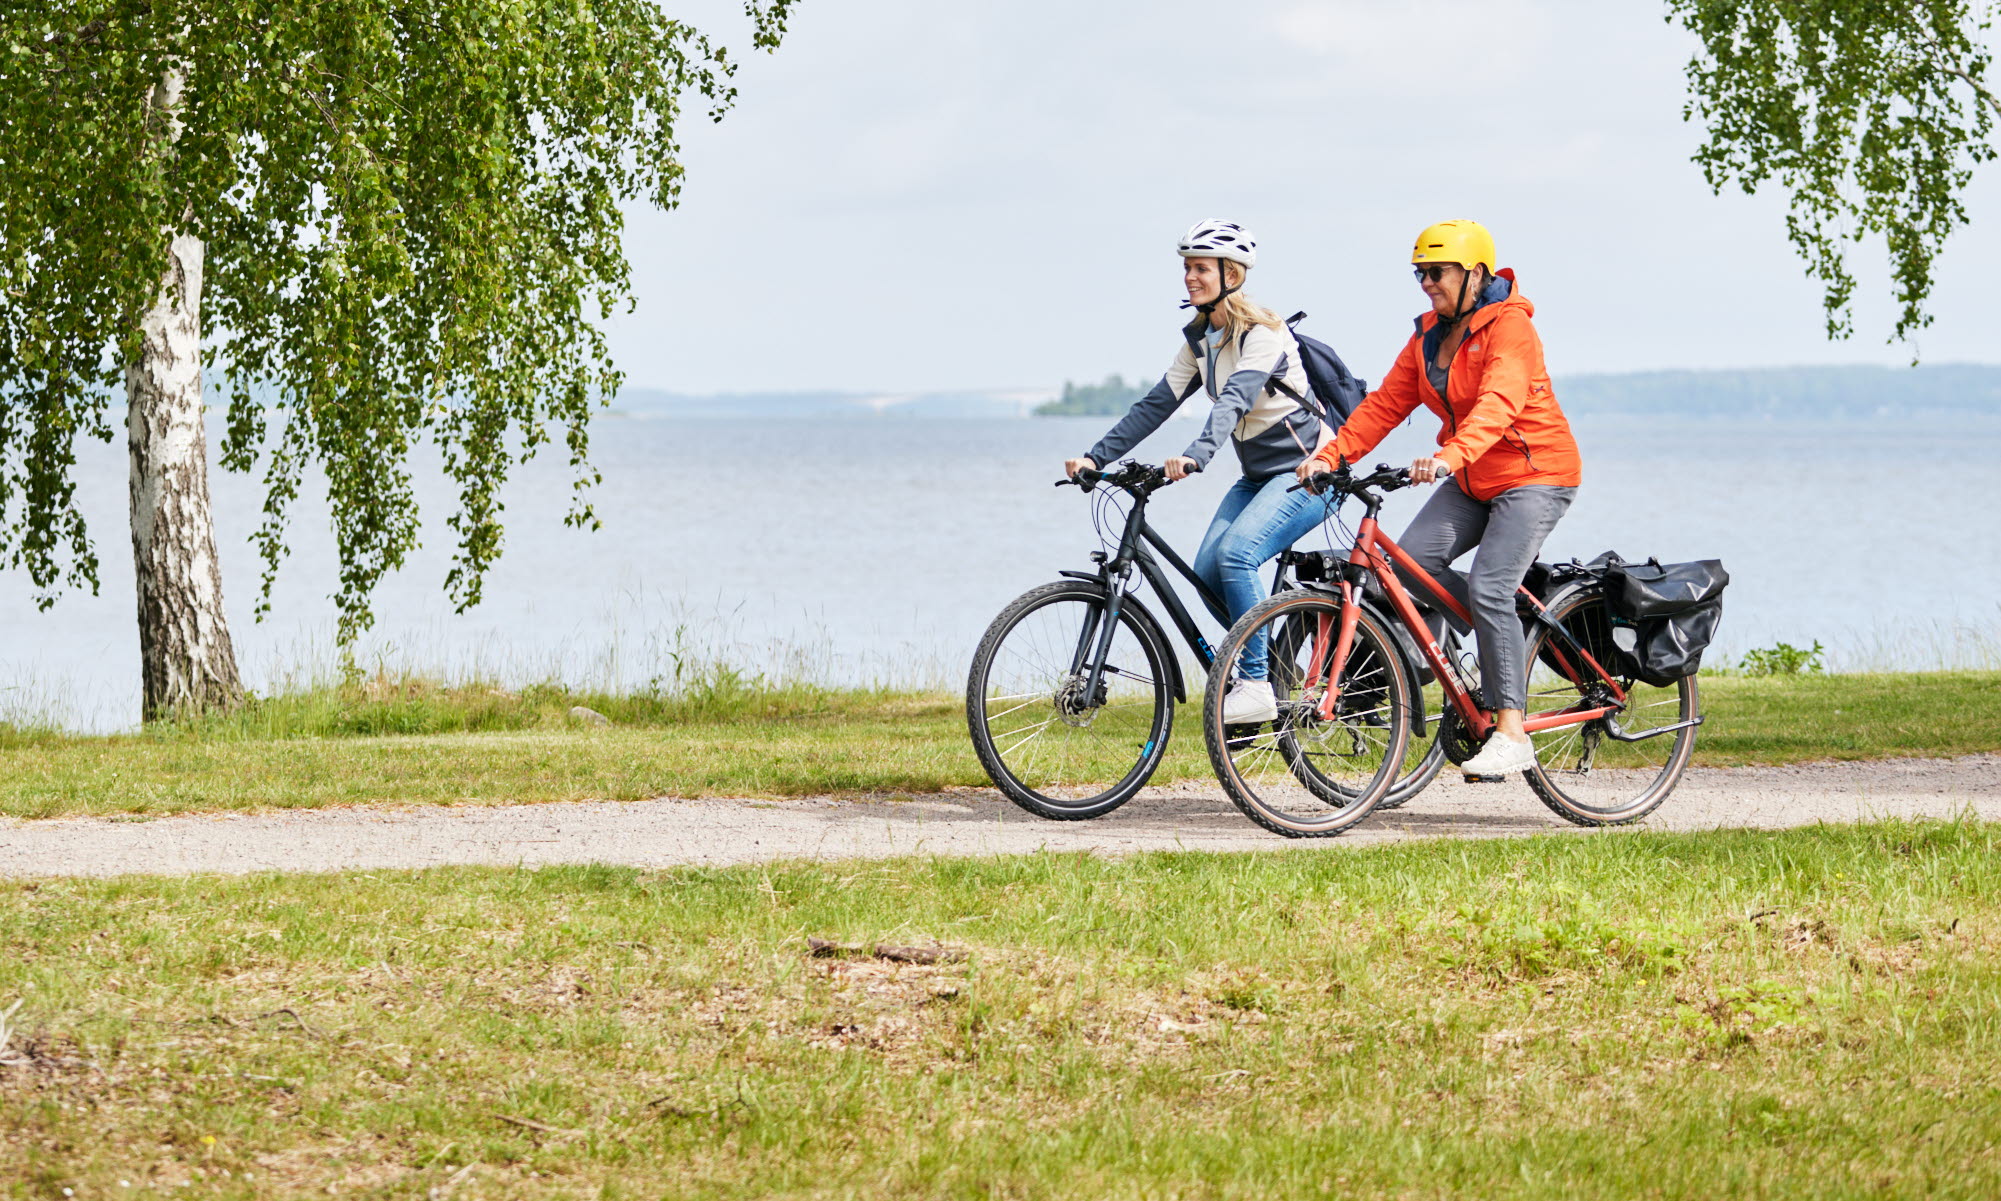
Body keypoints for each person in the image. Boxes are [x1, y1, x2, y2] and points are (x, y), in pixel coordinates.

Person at [1296, 219, 1581, 776]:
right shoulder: (1428, 335)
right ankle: (1505, 629)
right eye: (1419, 273)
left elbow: (1498, 406)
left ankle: (1511, 731)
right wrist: (1332, 455)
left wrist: (1450, 456)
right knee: (1409, 567)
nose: (1427, 282)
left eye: (1437, 272)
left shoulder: (1511, 329)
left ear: (1475, 273)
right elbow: (1383, 406)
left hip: (1535, 473)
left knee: (1491, 583)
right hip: (1474, 478)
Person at [1064, 220, 1331, 724]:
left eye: (1201, 268)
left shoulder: (1264, 335)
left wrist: (1196, 455)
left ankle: (1254, 683)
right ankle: (1272, 668)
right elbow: (1153, 406)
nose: (1189, 276)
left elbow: (1233, 402)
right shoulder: (1200, 342)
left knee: (1237, 555)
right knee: (1209, 573)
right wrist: (1097, 457)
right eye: (1186, 267)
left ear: (1231, 274)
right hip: (1258, 477)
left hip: (1309, 473)